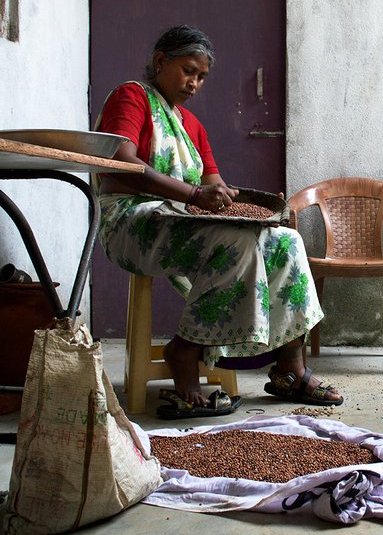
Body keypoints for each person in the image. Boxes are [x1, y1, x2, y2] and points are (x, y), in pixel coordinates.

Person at [95, 25, 343, 418]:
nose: (194, 83)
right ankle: (185, 352)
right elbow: (120, 164)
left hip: (184, 221)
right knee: (235, 244)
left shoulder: (192, 125)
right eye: (188, 70)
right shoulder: (132, 97)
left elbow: (217, 191)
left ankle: (289, 368)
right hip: (131, 219)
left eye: (202, 77)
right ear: (161, 61)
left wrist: (262, 209)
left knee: (285, 241)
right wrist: (193, 195)